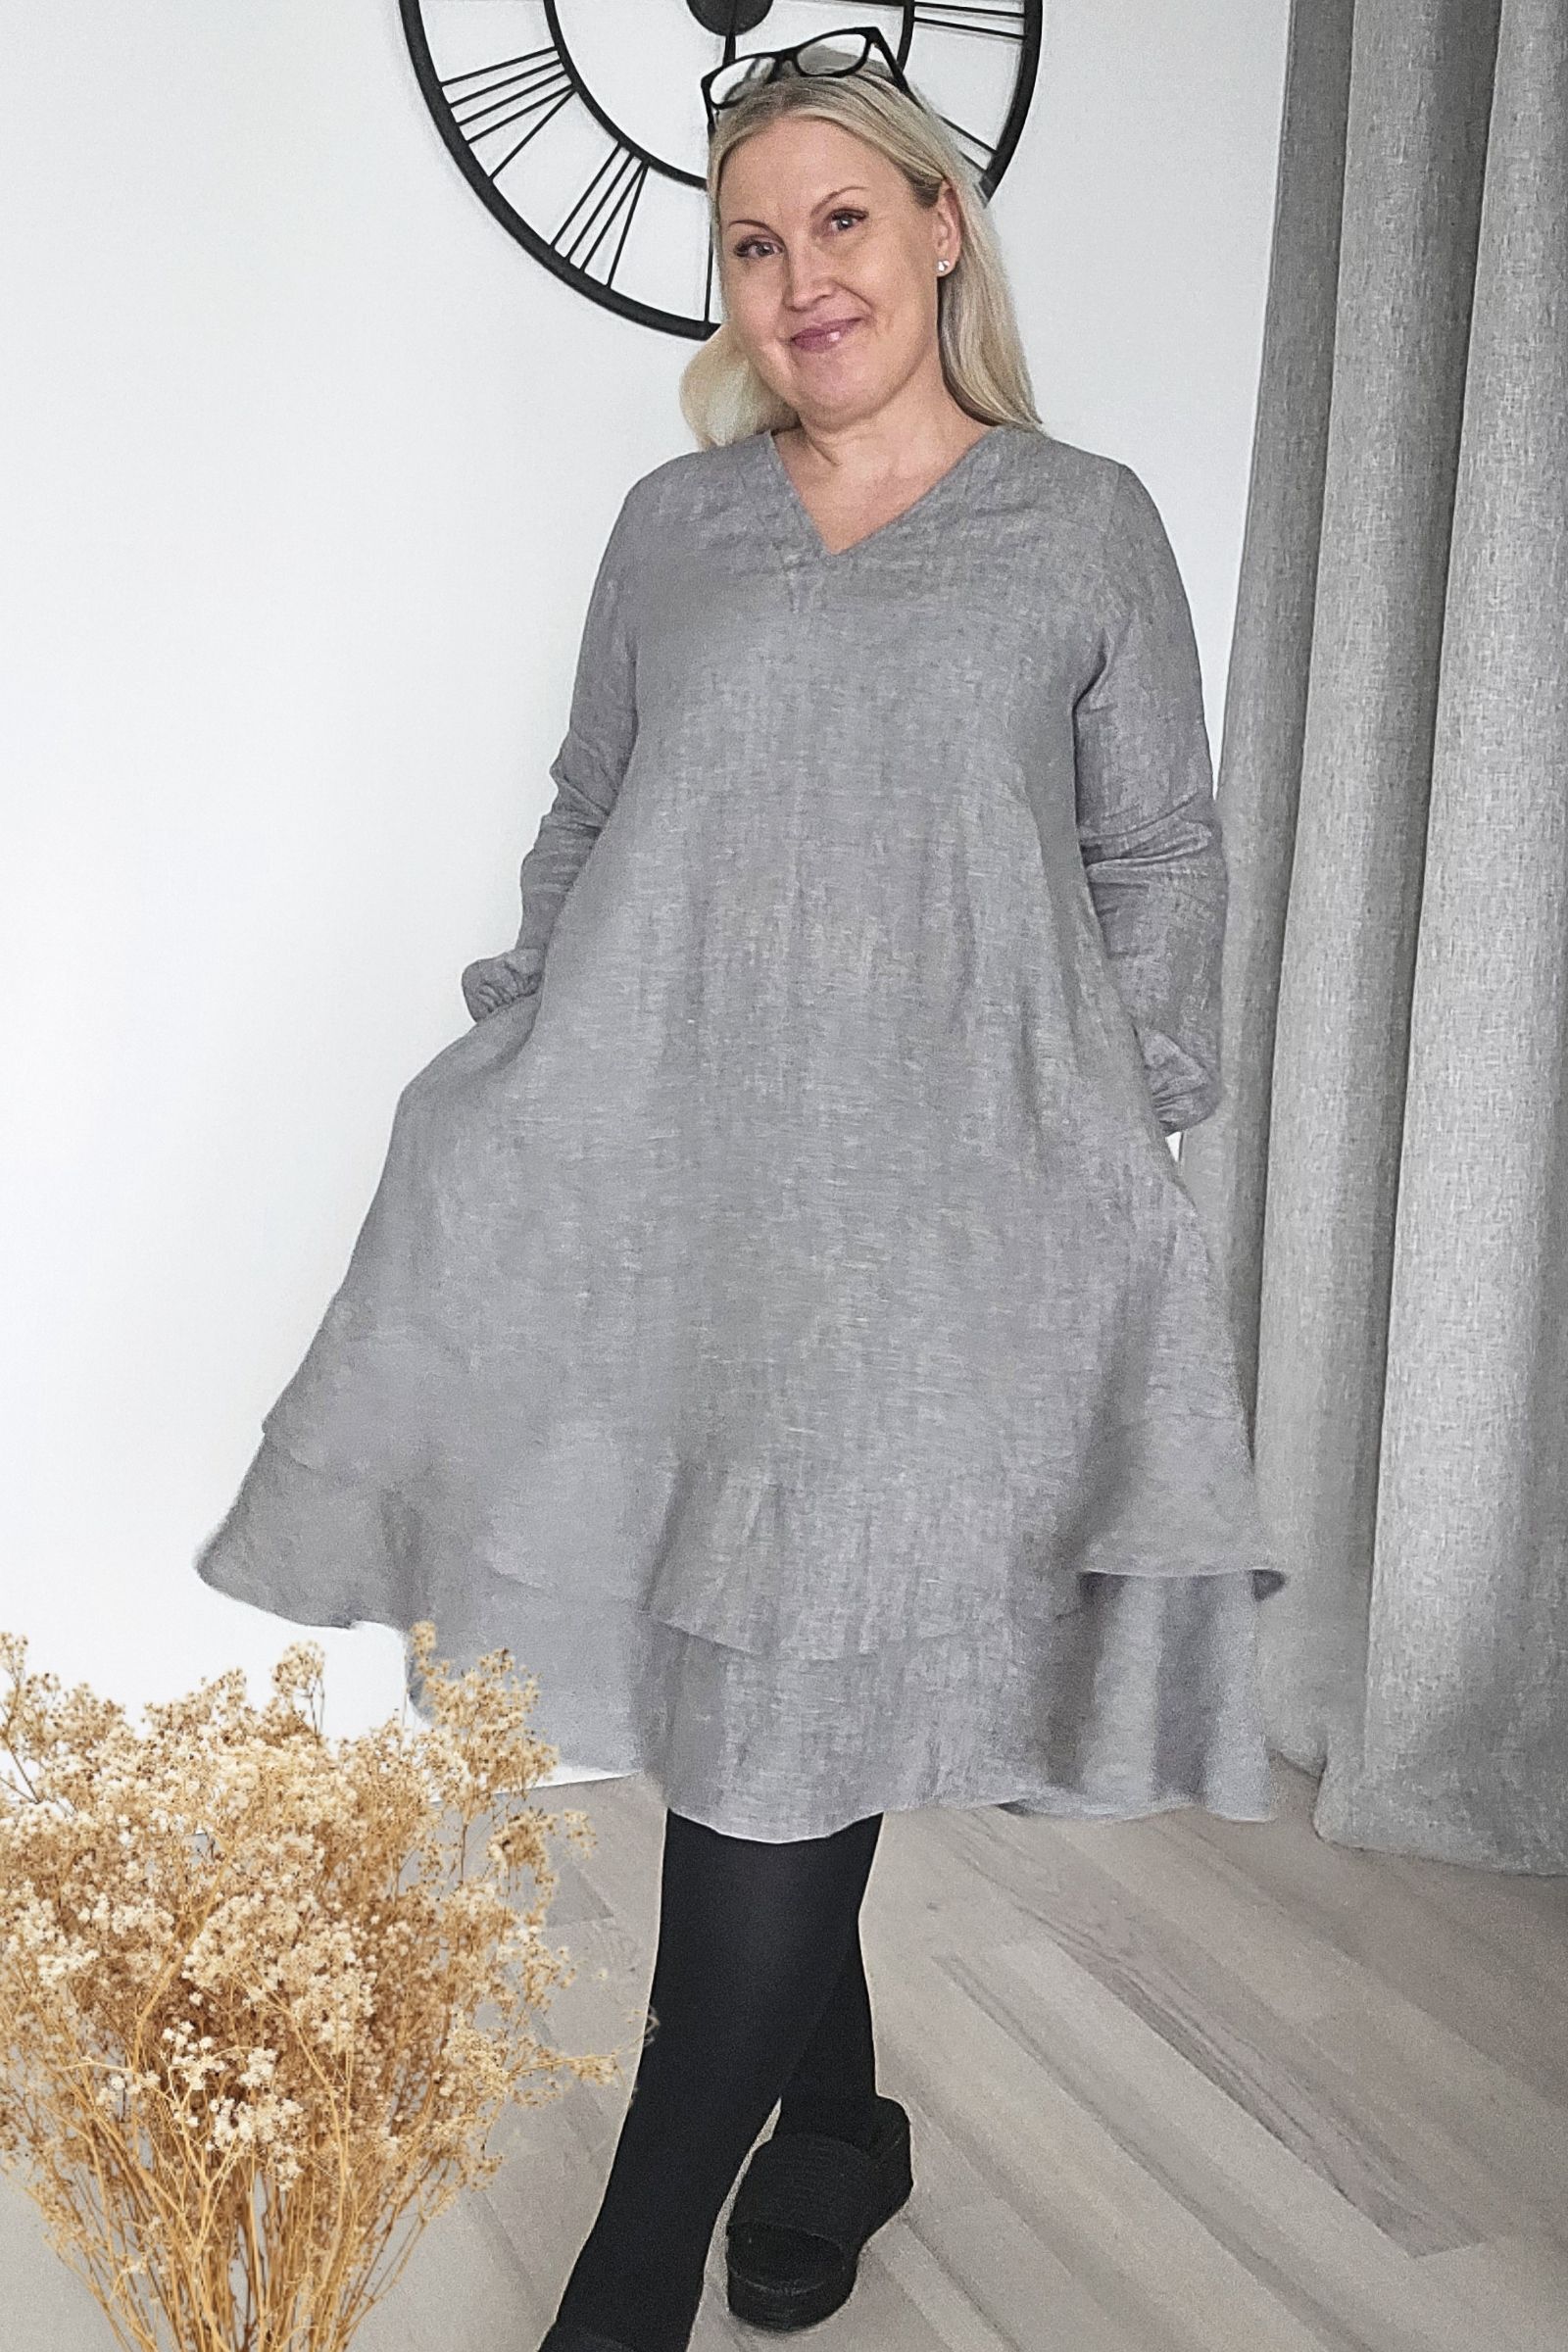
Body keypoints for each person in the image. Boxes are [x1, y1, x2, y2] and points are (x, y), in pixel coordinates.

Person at [195, 31, 1288, 2352]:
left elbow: (1157, 856)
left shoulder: (1077, 524)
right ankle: (843, 2123)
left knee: (783, 1704)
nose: (801, 279)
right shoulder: (673, 529)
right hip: (688, 1211)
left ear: (939, 229)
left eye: (842, 221)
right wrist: (529, 1054)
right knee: (759, 1686)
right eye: (753, 244)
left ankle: (615, 2302)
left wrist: (1111, 1122)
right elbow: (593, 809)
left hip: (940, 1242)